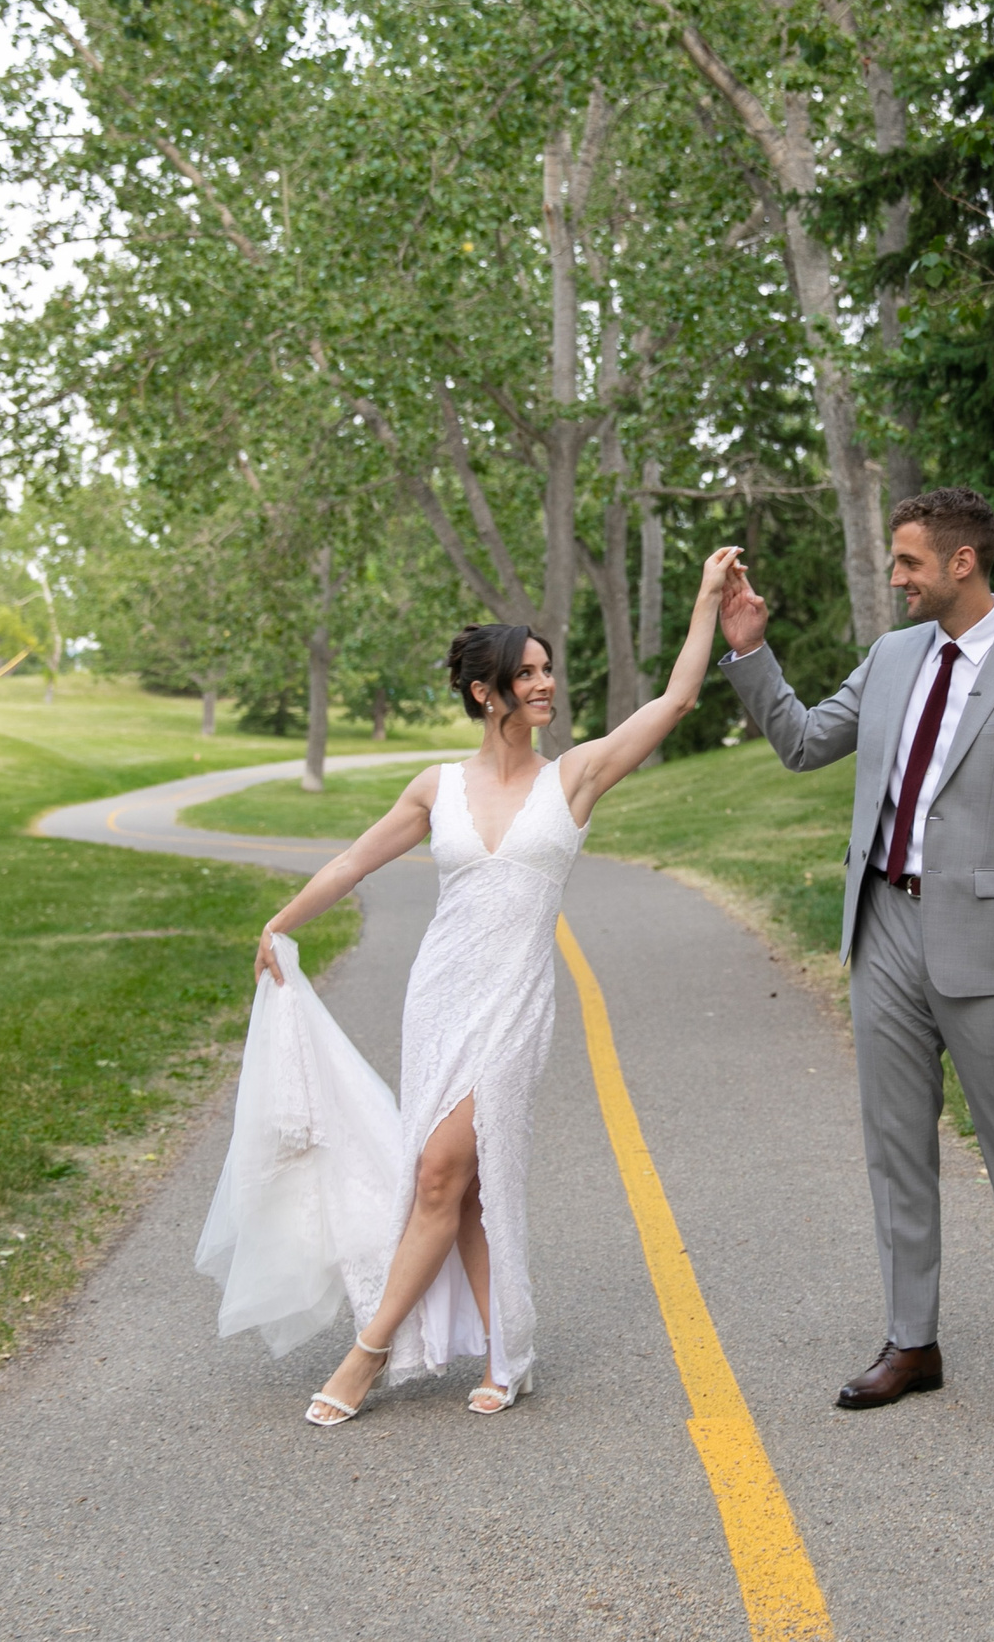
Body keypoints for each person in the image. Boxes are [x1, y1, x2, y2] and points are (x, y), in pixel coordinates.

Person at [252, 546, 746, 1426]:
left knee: (442, 1171)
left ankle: (366, 1354)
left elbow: (673, 700)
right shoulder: (435, 787)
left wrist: (708, 596)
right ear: (489, 693)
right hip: (439, 996)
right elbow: (353, 859)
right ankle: (507, 1352)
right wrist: (282, 922)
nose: (546, 684)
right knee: (460, 1186)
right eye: (529, 673)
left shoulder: (576, 775)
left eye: (548, 669)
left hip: (516, 1005)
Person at [718, 488, 994, 1417]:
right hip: (882, 924)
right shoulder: (892, 657)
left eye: (910, 563)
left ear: (962, 563)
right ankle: (911, 1341)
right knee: (896, 1150)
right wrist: (747, 648)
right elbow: (806, 743)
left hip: (992, 948)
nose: (897, 579)